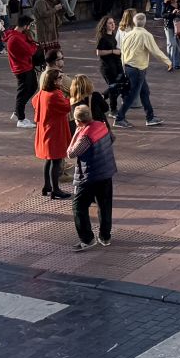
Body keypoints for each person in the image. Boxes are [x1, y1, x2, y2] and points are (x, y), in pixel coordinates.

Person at [66, 104, 116, 250]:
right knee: (105, 205)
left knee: (79, 206)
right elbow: (112, 139)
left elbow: (71, 153)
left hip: (90, 176)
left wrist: (76, 133)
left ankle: (87, 239)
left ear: (78, 120)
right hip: (106, 171)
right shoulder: (101, 125)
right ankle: (105, 236)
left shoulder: (85, 136)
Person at [114, 10, 169, 129]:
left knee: (144, 92)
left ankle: (150, 117)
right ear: (144, 23)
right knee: (133, 94)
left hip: (129, 67)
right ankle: (120, 118)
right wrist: (168, 62)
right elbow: (155, 51)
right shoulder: (145, 35)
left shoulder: (128, 34)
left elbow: (123, 52)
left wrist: (124, 66)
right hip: (138, 68)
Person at [32, 67, 71, 200]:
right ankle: (56, 189)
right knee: (56, 160)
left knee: (49, 160)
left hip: (45, 129)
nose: (62, 79)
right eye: (59, 77)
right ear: (53, 81)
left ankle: (47, 186)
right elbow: (66, 107)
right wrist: (70, 99)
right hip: (54, 131)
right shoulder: (55, 94)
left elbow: (34, 101)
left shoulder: (43, 92)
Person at [5, 14, 39, 127]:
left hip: (26, 66)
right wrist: (34, 45)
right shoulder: (15, 38)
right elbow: (30, 50)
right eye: (29, 26)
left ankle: (17, 112)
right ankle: (21, 118)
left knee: (33, 87)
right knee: (23, 93)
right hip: (22, 68)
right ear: (25, 26)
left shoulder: (19, 35)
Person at [94, 15, 124, 106]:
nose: (113, 24)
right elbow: (98, 52)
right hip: (107, 66)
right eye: (110, 23)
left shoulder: (114, 35)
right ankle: (113, 109)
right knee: (113, 86)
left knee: (119, 84)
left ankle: (102, 97)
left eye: (113, 22)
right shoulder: (102, 37)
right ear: (105, 25)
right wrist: (112, 51)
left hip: (116, 64)